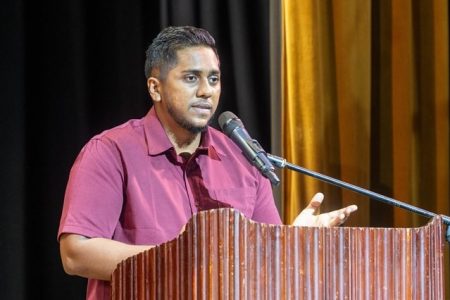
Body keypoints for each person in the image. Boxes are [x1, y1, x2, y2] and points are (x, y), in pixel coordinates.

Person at [58, 26, 357, 299]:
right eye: (191, 78)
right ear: (155, 88)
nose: (206, 91)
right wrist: (186, 259)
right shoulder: (111, 152)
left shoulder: (244, 160)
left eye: (213, 79)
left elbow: (265, 263)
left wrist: (293, 243)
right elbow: (77, 254)